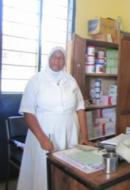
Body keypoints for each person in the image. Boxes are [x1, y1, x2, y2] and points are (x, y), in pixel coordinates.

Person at [17, 47, 88, 190]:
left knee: (68, 171)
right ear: (48, 58)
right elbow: (28, 112)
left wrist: (85, 136)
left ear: (64, 61)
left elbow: (80, 107)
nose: (57, 60)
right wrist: (42, 139)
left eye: (61, 57)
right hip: (43, 135)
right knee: (44, 173)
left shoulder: (71, 80)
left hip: (69, 134)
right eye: (54, 57)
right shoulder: (36, 80)